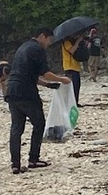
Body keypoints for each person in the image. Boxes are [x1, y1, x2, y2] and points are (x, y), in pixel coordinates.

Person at [6, 28, 72, 174]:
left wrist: (48, 85)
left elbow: (29, 75)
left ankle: (15, 164)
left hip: (12, 90)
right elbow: (44, 73)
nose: (49, 44)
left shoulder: (23, 48)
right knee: (39, 123)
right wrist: (62, 79)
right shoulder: (37, 49)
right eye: (49, 40)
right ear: (43, 36)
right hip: (27, 93)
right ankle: (33, 159)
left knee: (16, 127)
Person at [61, 36, 83, 106]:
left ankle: (75, 101)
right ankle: (70, 102)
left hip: (75, 66)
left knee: (77, 85)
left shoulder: (72, 41)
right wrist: (78, 41)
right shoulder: (66, 42)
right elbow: (72, 50)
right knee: (73, 85)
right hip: (69, 67)